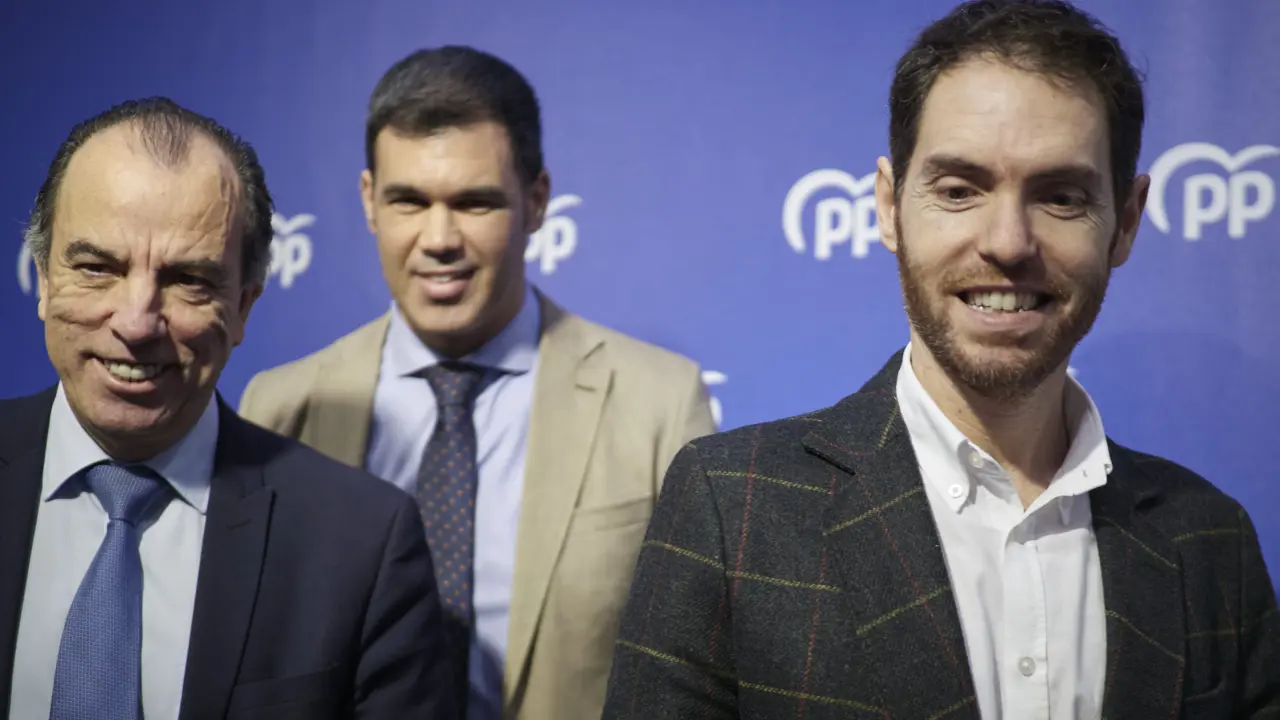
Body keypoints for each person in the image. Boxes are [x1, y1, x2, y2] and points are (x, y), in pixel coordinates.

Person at [603, 1, 1280, 718]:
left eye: (1060, 197)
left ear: (1127, 222)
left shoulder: (1210, 540)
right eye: (959, 191)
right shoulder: (731, 510)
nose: (1008, 242)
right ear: (889, 207)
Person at [237, 46, 716, 719]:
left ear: (536, 201)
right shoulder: (281, 405)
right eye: (409, 200)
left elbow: (698, 672)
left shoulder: (660, 402)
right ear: (370, 200)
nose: (439, 238)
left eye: (474, 202)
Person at [0, 98, 457, 719]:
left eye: (188, 280)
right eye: (98, 268)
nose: (136, 322)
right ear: (44, 279)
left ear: (244, 305)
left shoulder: (363, 546)